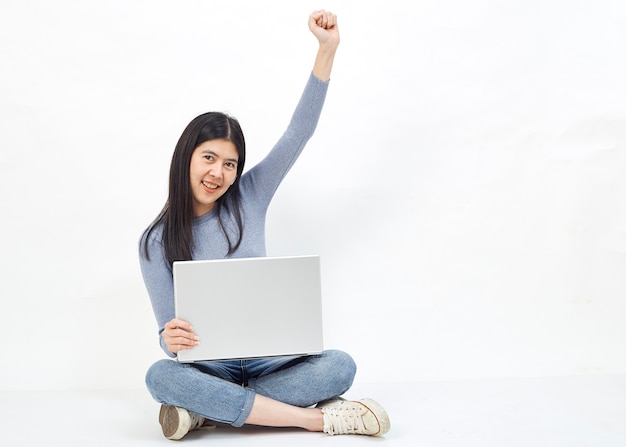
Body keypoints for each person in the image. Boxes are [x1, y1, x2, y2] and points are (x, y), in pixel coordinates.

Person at [139, 10, 390, 440]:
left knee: (339, 365)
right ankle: (314, 419)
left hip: (271, 358)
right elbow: (168, 339)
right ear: (187, 158)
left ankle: (205, 410)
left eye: (230, 163)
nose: (218, 173)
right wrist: (170, 338)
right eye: (209, 158)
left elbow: (299, 132)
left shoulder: (249, 197)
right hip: (209, 364)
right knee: (160, 376)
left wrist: (326, 49)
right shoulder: (154, 240)